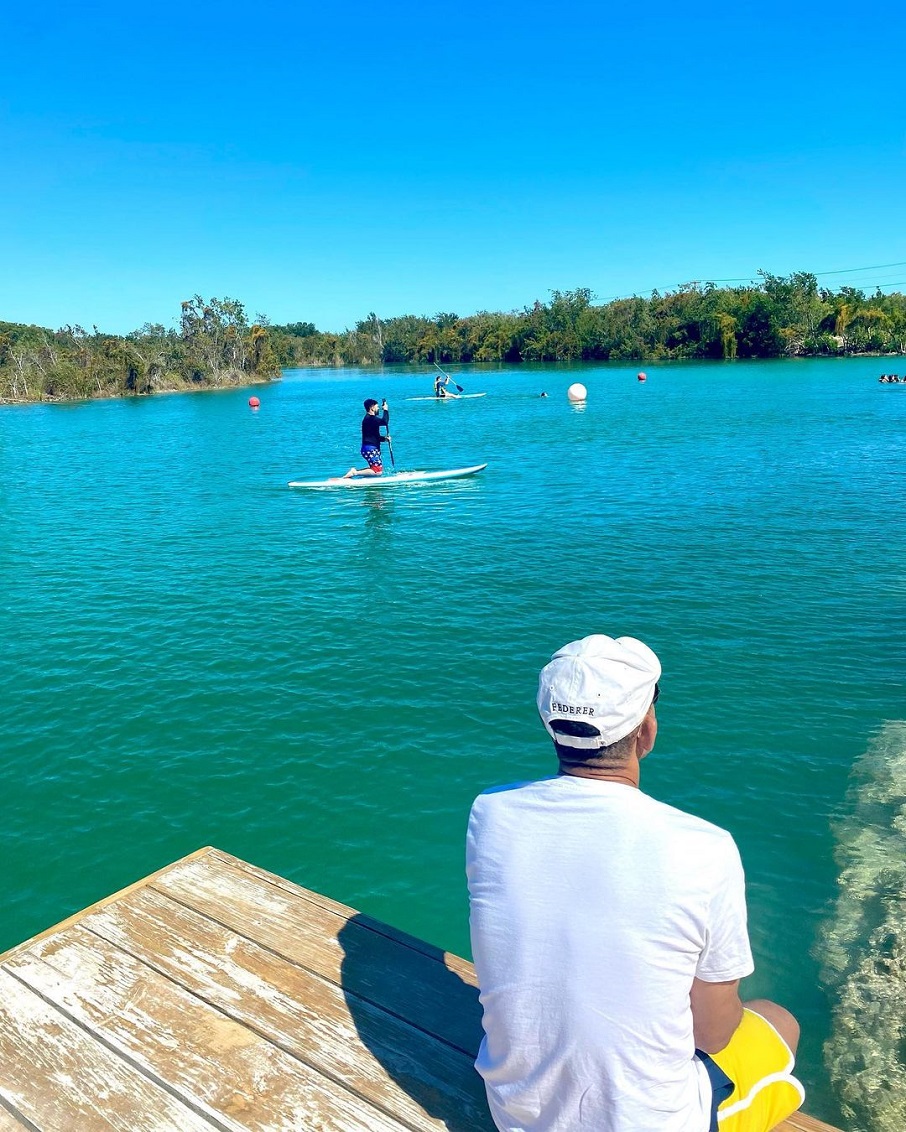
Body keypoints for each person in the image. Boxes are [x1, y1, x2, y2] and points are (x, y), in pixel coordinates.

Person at [466, 634, 804, 1132]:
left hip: (516, 1112)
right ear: (646, 731)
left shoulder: (489, 814)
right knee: (777, 1020)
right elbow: (712, 1034)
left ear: (550, 726)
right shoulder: (704, 847)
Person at [343, 398, 391, 477]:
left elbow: (374, 436)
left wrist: (385, 439)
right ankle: (355, 473)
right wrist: (385, 410)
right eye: (377, 406)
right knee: (378, 471)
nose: (378, 408)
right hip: (370, 448)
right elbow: (385, 422)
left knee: (374, 469)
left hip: (369, 448)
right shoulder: (370, 419)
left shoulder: (370, 419)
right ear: (372, 407)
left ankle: (360, 475)